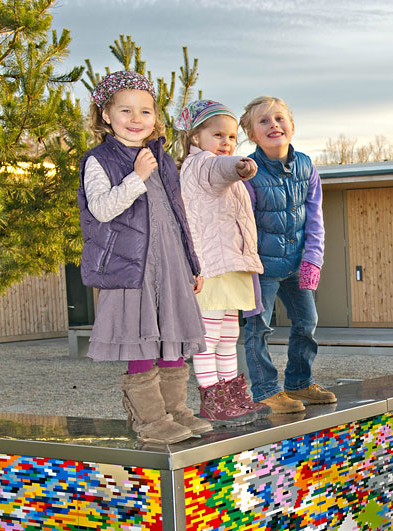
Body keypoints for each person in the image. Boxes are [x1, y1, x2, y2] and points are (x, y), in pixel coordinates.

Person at [77, 71, 211, 445]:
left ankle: (176, 411)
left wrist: (191, 262)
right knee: (141, 340)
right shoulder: (98, 160)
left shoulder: (163, 160)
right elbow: (101, 209)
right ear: (105, 114)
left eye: (146, 112)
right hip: (130, 267)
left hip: (169, 264)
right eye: (126, 111)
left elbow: (178, 215)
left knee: (172, 335)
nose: (137, 120)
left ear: (155, 117)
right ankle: (151, 421)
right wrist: (135, 178)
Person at [238, 95, 337, 414]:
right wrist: (247, 265)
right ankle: (265, 389)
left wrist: (312, 259)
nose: (273, 125)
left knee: (307, 321)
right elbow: (243, 223)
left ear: (292, 126)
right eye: (263, 121)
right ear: (252, 134)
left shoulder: (306, 166)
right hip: (261, 266)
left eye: (279, 118)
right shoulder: (248, 172)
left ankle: (299, 381)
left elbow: (315, 216)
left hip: (296, 264)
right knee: (258, 327)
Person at [175, 99, 266, 422]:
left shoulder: (215, 162)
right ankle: (211, 396)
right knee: (209, 335)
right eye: (218, 135)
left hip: (231, 263)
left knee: (229, 336)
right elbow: (220, 169)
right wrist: (239, 166)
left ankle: (230, 392)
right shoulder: (201, 164)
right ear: (196, 138)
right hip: (211, 265)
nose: (226, 143)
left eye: (231, 137)